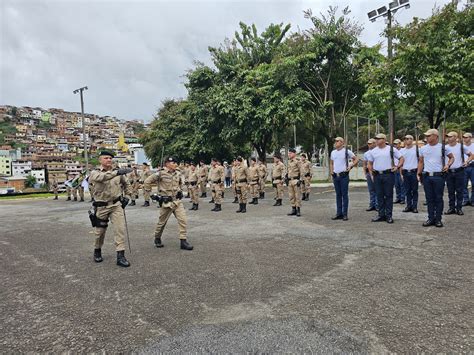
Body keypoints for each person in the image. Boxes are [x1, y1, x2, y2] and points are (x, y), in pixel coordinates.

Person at [88, 150, 133, 267]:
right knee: (99, 232)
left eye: (110, 158)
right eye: (106, 158)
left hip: (116, 205)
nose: (108, 160)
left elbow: (127, 184)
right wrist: (117, 172)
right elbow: (102, 178)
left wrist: (127, 196)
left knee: (120, 229)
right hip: (101, 206)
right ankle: (97, 250)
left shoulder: (117, 173)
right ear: (100, 160)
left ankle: (120, 256)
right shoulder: (95, 173)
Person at [144, 157, 193, 250]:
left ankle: (183, 241)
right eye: (173, 162)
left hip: (177, 201)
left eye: (175, 162)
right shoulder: (160, 173)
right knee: (162, 223)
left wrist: (180, 191)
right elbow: (147, 182)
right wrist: (152, 195)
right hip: (166, 202)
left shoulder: (178, 173)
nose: (175, 164)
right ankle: (157, 237)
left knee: (183, 220)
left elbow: (180, 184)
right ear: (167, 164)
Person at [417, 129, 454, 227]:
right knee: (429, 199)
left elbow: (451, 157)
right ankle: (430, 218)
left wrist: (448, 165)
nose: (427, 137)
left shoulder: (443, 148)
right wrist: (418, 173)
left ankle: (438, 219)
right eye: (427, 136)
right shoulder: (423, 148)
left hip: (439, 176)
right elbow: (421, 162)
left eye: (429, 135)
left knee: (438, 198)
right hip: (427, 176)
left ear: (435, 136)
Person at [367, 133, 404, 224]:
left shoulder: (391, 149)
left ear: (384, 139)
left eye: (378, 139)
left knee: (388, 196)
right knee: (379, 195)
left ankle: (389, 216)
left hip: (388, 174)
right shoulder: (374, 151)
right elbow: (370, 163)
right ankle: (381, 215)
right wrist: (371, 174)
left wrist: (397, 167)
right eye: (376, 139)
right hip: (377, 175)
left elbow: (401, 158)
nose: (376, 140)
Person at [329, 137, 359, 221]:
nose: (336, 142)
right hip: (336, 175)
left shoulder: (346, 151)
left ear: (342, 143)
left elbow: (356, 159)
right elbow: (331, 163)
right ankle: (339, 213)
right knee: (338, 195)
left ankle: (344, 214)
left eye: (338, 141)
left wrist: (351, 166)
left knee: (344, 194)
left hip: (343, 175)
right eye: (335, 141)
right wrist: (331, 171)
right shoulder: (333, 152)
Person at [445, 132, 473, 215]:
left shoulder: (461, 146)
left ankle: (459, 208)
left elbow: (471, 155)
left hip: (459, 171)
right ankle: (451, 208)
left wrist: (467, 161)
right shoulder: (445, 147)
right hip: (449, 172)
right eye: (448, 136)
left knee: (459, 191)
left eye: (450, 136)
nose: (448, 138)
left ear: (455, 137)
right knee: (450, 191)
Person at [400, 135, 419, 213]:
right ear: (404, 140)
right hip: (405, 172)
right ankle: (408, 206)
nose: (408, 140)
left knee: (414, 190)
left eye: (410, 138)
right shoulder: (401, 151)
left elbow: (420, 161)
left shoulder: (417, 150)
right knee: (407, 190)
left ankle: (414, 207)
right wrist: (401, 174)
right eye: (407, 139)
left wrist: (418, 173)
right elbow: (400, 163)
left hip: (414, 172)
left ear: (413, 140)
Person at [287, 148, 304, 217]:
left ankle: (298, 210)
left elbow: (302, 171)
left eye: (290, 153)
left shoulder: (297, 161)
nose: (289, 154)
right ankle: (293, 209)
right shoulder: (289, 162)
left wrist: (300, 180)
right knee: (291, 196)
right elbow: (288, 171)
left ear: (294, 154)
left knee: (297, 196)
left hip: (296, 180)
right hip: (290, 180)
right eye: (289, 153)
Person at [363, 138, 377, 211]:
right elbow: (364, 164)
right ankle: (372, 204)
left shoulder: (377, 151)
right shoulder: (366, 153)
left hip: (376, 172)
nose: (369, 145)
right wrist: (365, 173)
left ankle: (377, 205)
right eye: (368, 143)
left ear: (375, 143)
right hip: (369, 172)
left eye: (370, 143)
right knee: (371, 190)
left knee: (378, 189)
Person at [462, 132, 474, 206]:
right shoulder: (461, 147)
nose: (465, 138)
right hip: (464, 167)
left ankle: (473, 200)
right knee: (464, 184)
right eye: (464, 137)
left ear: (470, 138)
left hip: (473, 166)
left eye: (466, 137)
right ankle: (465, 200)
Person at [393, 139, 405, 204]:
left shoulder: (403, 151)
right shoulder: (393, 151)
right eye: (394, 144)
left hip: (401, 168)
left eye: (396, 144)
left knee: (402, 184)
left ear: (400, 144)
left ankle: (403, 198)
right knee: (396, 184)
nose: (395, 145)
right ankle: (398, 197)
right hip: (394, 169)